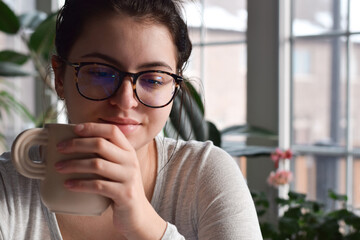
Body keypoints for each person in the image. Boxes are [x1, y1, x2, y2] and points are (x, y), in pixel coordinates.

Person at [0, 0, 263, 239]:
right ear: (59, 78)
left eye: (153, 79)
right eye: (101, 73)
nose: (126, 100)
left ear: (173, 88)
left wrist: (144, 224)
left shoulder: (205, 175)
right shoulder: (7, 185)